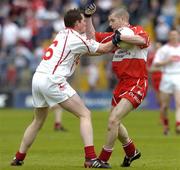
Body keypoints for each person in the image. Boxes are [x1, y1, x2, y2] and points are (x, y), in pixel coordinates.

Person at [10, 8, 121, 168]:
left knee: (37, 121)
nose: (85, 23)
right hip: (53, 80)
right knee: (85, 114)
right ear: (77, 23)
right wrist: (118, 38)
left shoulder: (63, 34)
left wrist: (106, 44)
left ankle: (18, 157)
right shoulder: (76, 38)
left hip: (38, 77)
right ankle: (90, 158)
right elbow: (102, 49)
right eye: (83, 21)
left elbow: (88, 50)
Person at [84, 4, 150, 167]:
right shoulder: (114, 36)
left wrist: (120, 37)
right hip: (122, 84)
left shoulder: (135, 30)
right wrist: (87, 18)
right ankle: (131, 152)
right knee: (115, 122)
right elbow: (92, 37)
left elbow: (143, 40)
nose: (110, 24)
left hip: (137, 82)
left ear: (123, 20)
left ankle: (103, 160)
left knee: (113, 120)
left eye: (113, 20)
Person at [153, 30, 180, 135]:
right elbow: (156, 64)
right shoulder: (163, 50)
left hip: (178, 75)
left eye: (175, 35)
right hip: (167, 76)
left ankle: (178, 124)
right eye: (171, 35)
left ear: (178, 36)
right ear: (169, 37)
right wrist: (167, 61)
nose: (173, 37)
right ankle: (166, 125)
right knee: (164, 106)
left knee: (178, 103)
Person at [147, 42, 163, 123]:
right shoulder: (151, 57)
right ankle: (163, 117)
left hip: (163, 80)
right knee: (159, 101)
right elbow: (148, 69)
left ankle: (162, 118)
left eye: (159, 47)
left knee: (162, 100)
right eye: (156, 47)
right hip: (155, 80)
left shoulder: (164, 57)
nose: (158, 49)